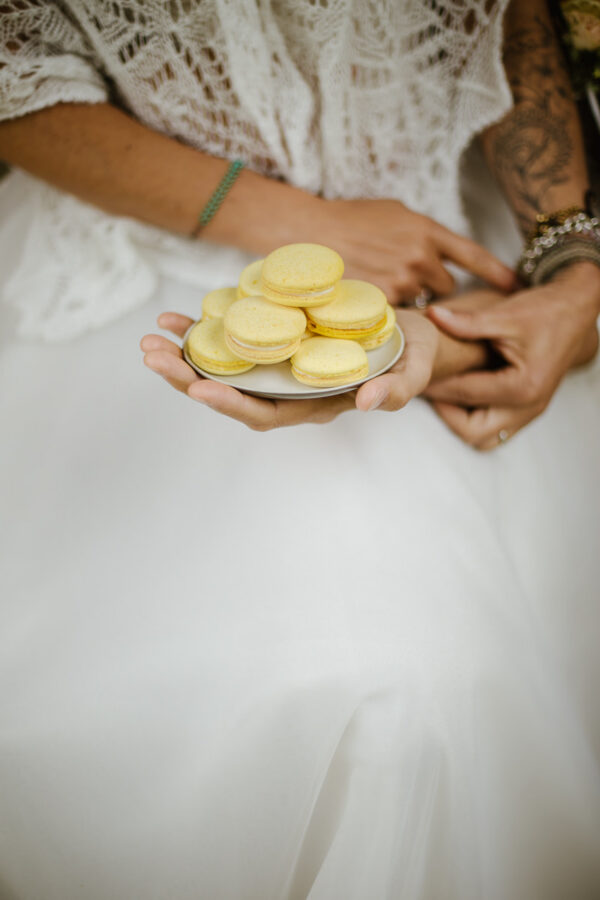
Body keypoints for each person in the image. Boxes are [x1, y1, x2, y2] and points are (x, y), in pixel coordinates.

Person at [0, 2, 599, 899]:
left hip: (447, 237)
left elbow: (514, 20)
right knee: (347, 696)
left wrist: (575, 270)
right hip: (145, 246)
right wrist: (297, 223)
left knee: (436, 693)